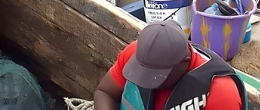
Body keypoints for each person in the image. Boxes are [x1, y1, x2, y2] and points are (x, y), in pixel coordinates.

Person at [93, 21, 246, 110]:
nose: (146, 80)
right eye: (142, 71)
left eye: (157, 75)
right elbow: (105, 92)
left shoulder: (220, 91)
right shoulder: (136, 53)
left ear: (185, 61)